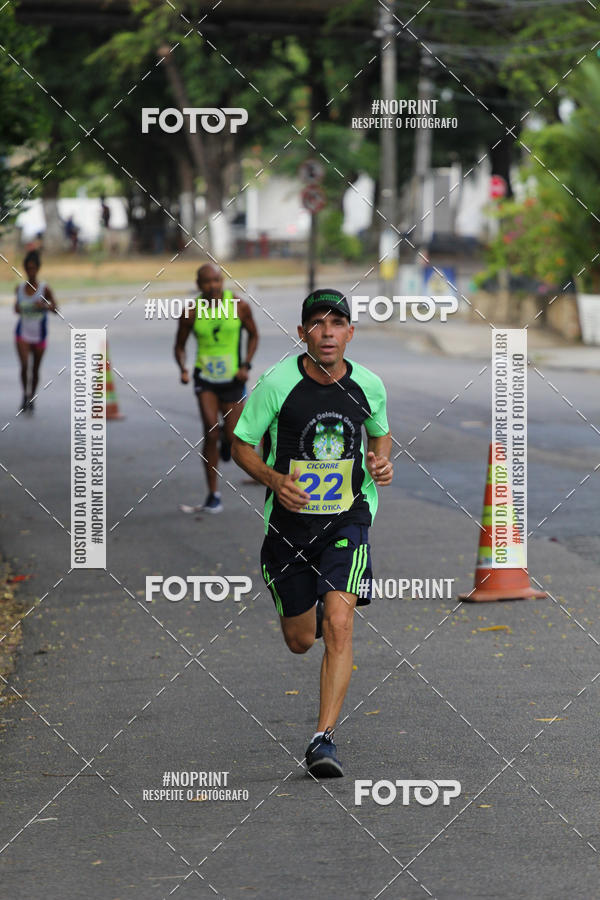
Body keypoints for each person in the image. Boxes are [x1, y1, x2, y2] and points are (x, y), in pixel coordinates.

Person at [231, 288, 393, 777]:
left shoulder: (369, 384)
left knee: (340, 623)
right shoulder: (277, 384)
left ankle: (323, 739)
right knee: (302, 639)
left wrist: (381, 462)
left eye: (337, 323)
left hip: (348, 517)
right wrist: (275, 480)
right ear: (302, 334)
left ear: (349, 332)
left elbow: (379, 432)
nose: (327, 332)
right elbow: (240, 445)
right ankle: (316, 599)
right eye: (317, 324)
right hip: (288, 528)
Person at [174, 263, 258, 512]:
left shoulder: (240, 306)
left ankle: (224, 438)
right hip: (205, 379)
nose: (213, 286)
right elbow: (179, 346)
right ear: (199, 285)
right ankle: (213, 494)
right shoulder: (191, 312)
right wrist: (184, 369)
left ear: (223, 282)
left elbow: (254, 335)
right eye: (207, 282)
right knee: (210, 431)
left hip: (233, 380)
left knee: (234, 439)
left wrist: (246, 365)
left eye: (217, 281)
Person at [14, 250, 58, 413]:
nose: (30, 271)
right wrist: (18, 308)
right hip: (22, 333)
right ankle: (24, 396)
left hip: (40, 334)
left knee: (35, 369)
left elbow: (56, 309)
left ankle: (32, 396)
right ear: (25, 269)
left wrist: (45, 306)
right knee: (25, 366)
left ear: (38, 269)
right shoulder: (19, 288)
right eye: (28, 268)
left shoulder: (45, 289)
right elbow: (16, 308)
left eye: (33, 268)